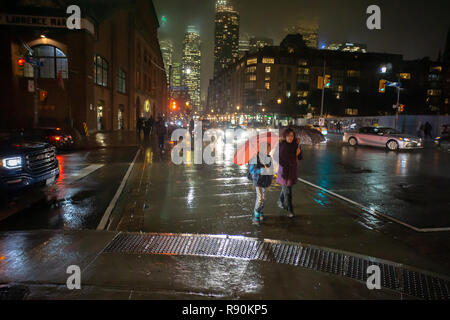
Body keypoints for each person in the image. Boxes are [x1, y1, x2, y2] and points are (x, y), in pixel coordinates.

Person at [276, 128, 303, 218]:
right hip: (285, 171)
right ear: (285, 136)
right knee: (288, 191)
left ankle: (280, 201)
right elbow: (285, 161)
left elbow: (300, 158)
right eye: (288, 136)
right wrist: (295, 154)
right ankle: (290, 210)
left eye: (292, 136)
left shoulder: (296, 145)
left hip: (292, 171)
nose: (290, 138)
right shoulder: (282, 146)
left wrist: (299, 152)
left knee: (286, 188)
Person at [248, 142, 273, 225]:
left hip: (266, 181)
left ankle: (261, 212)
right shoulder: (255, 157)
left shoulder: (269, 157)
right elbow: (252, 170)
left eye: (270, 149)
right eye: (268, 149)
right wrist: (263, 170)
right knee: (260, 198)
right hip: (258, 181)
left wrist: (271, 172)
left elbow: (271, 169)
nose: (270, 150)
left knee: (264, 198)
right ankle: (256, 217)